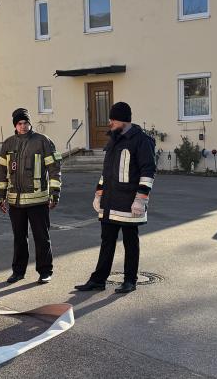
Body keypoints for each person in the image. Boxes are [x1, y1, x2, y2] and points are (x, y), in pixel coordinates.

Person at [74, 102, 155, 294]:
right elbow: (106, 172)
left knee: (130, 242)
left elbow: (148, 171)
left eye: (113, 119)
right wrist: (99, 194)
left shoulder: (141, 140)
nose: (110, 123)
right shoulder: (113, 140)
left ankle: (130, 281)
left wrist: (141, 199)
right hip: (110, 201)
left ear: (123, 120)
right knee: (106, 241)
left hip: (129, 202)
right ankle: (98, 280)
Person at [0, 108, 62, 284]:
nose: (23, 126)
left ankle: (45, 271)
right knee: (19, 238)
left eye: (26, 123)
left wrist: (54, 193)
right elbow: (2, 173)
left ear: (30, 123)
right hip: (15, 201)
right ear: (15, 125)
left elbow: (54, 170)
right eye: (20, 123)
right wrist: (0, 195)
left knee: (42, 237)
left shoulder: (43, 141)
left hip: (38, 200)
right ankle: (18, 272)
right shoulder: (8, 144)